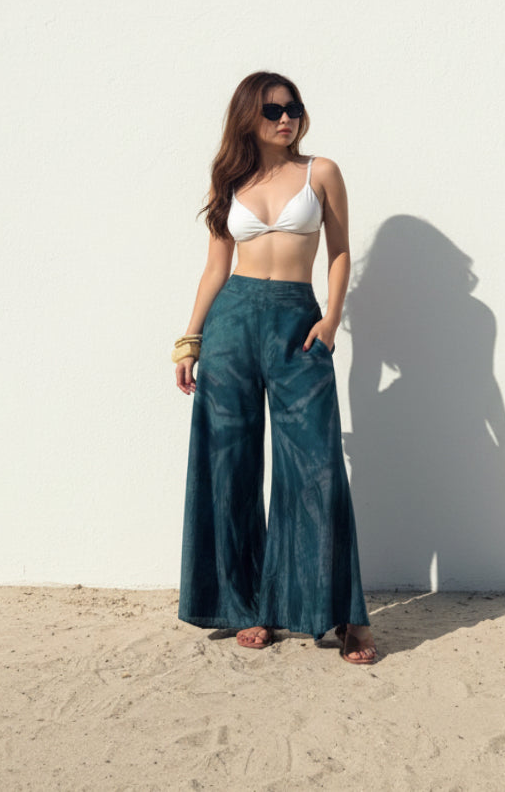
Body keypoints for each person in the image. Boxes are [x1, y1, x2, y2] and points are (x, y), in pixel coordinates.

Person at [173, 70, 376, 664]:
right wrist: (190, 338)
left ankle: (343, 615)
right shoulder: (229, 180)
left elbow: (338, 252)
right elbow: (216, 267)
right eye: (271, 110)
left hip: (297, 321)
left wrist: (331, 320)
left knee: (315, 469)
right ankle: (247, 605)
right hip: (232, 321)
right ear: (248, 117)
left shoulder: (322, 172)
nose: (285, 118)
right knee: (227, 464)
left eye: (293, 108)